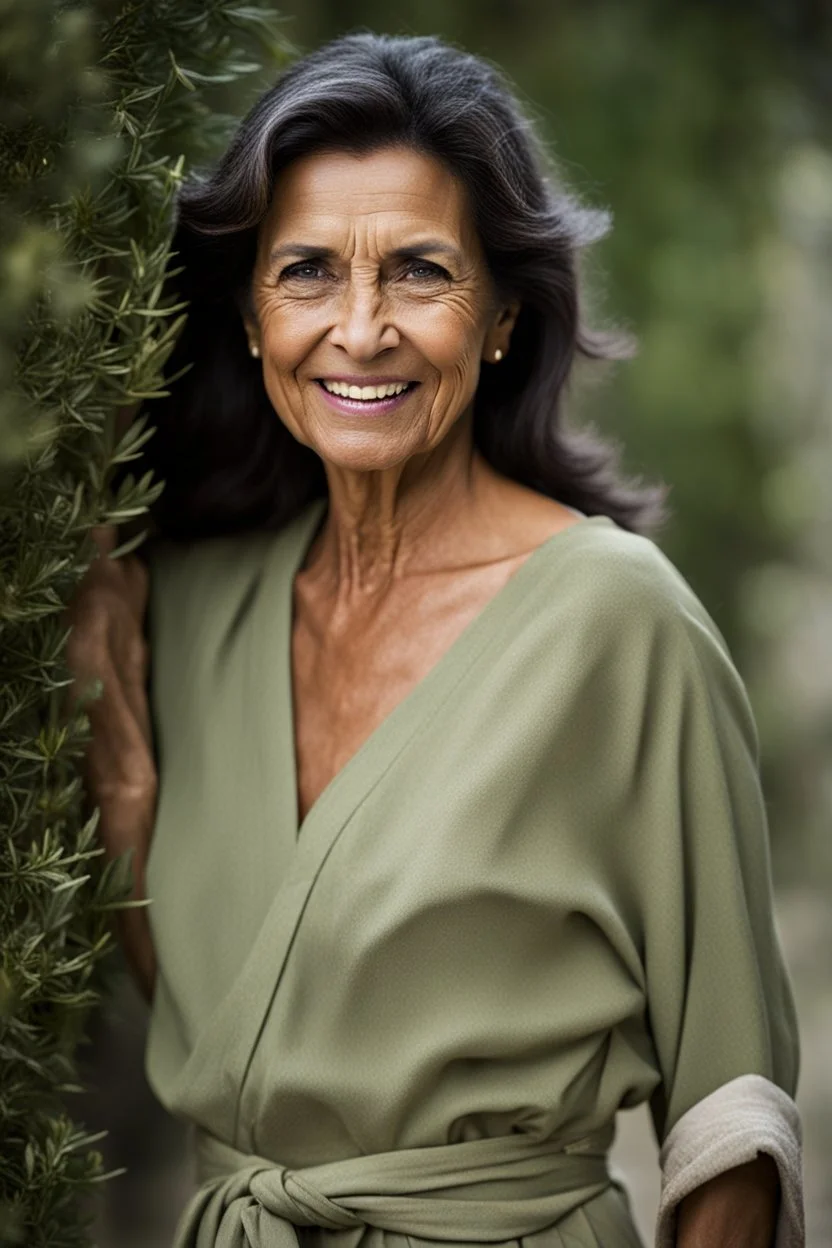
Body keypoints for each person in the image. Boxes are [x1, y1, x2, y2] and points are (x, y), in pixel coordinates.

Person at [65, 32, 804, 1248]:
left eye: (417, 272)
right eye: (305, 272)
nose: (360, 330)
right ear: (249, 317)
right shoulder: (191, 602)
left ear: (503, 317)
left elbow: (727, 1116)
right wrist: (129, 786)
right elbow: (249, 1036)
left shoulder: (617, 623)